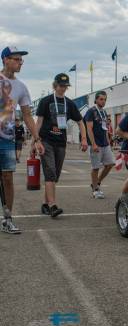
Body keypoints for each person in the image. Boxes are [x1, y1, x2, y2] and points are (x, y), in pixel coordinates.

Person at [0, 46, 44, 233]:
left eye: (21, 60)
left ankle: (7, 218)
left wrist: (37, 138)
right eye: (17, 59)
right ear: (5, 60)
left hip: (7, 139)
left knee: (8, 178)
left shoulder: (21, 87)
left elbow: (27, 115)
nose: (20, 63)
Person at [36, 73, 88, 217]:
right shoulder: (45, 101)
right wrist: (36, 140)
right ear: (55, 85)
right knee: (50, 172)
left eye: (65, 86)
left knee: (55, 175)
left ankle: (45, 204)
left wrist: (83, 139)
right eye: (61, 85)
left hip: (61, 143)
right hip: (46, 141)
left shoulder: (69, 103)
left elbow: (80, 122)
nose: (63, 88)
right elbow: (38, 122)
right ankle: (53, 205)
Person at [83, 91, 115, 199]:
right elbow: (89, 129)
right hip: (95, 144)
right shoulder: (91, 111)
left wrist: (108, 142)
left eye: (105, 99)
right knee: (96, 167)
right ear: (96, 100)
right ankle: (95, 189)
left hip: (105, 144)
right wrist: (93, 144)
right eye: (101, 99)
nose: (103, 101)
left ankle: (97, 182)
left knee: (110, 163)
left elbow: (105, 128)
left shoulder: (104, 112)